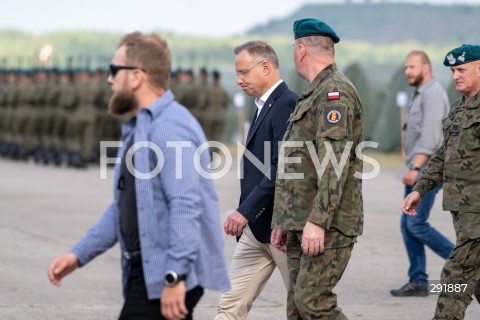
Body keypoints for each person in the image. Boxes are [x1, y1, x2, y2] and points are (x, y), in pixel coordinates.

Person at [47, 32, 230, 320]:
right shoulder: (141, 128)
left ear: (136, 77)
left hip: (163, 274)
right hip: (148, 270)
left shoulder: (170, 129)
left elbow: (186, 205)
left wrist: (173, 276)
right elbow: (127, 207)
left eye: (114, 70)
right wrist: (79, 254)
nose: (109, 79)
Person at [271, 19, 364, 319]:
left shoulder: (333, 92)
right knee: (297, 307)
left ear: (300, 49)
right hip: (301, 220)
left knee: (313, 302)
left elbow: (334, 164)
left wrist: (319, 221)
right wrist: (285, 219)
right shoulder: (314, 92)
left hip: (327, 223)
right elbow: (301, 163)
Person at [216, 40, 297, 320]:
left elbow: (281, 169)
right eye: (237, 74)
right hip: (256, 230)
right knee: (230, 305)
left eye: (243, 73)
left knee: (305, 309)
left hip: (283, 230)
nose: (238, 80)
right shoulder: (263, 104)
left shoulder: (287, 104)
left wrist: (244, 211)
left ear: (265, 68)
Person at [403, 44, 480, 320]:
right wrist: (420, 190)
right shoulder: (460, 108)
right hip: (463, 212)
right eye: (452, 71)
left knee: (454, 276)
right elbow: (442, 156)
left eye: (461, 70)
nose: (455, 76)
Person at [391, 50, 454, 297]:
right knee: (408, 226)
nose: (408, 71)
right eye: (406, 67)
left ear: (426, 68)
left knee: (415, 224)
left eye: (412, 67)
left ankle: (468, 266)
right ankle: (418, 280)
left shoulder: (433, 94)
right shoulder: (419, 93)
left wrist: (415, 168)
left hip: (427, 173)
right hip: (418, 171)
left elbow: (432, 137)